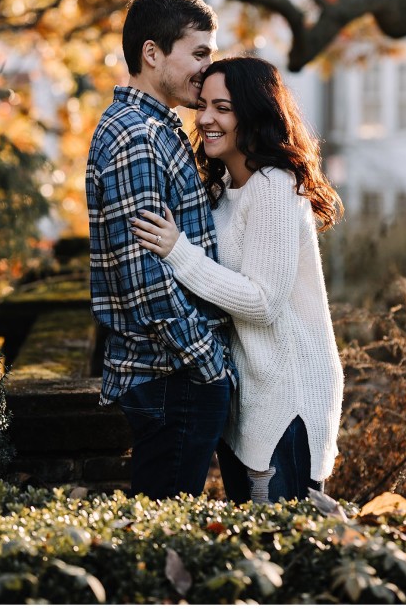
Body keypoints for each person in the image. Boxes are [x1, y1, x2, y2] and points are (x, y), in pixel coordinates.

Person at [131, 55, 344, 504]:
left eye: (222, 108)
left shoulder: (274, 185)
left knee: (287, 550)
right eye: (204, 104)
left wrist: (178, 252)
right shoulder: (225, 188)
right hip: (248, 398)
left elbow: (262, 302)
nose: (205, 118)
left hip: (287, 396)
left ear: (254, 113)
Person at [86, 0, 236, 500]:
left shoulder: (157, 127)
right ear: (152, 54)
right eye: (198, 53)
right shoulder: (137, 138)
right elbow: (147, 282)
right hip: (171, 376)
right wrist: (210, 364)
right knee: (161, 541)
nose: (206, 68)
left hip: (175, 375)